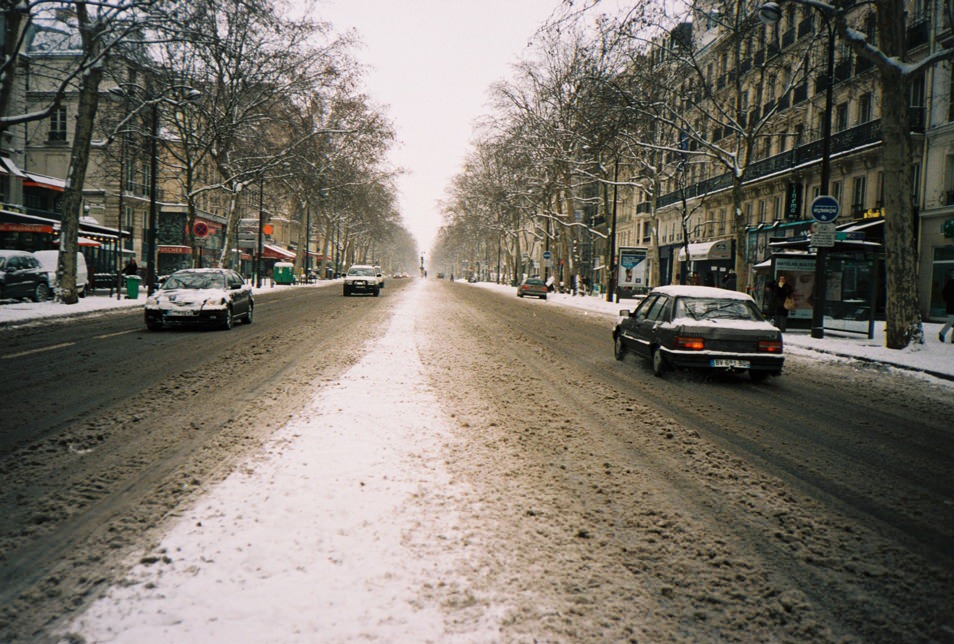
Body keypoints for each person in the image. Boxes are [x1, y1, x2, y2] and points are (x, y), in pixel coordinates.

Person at [939, 272, 954, 342]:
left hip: (951, 305)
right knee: (951, 321)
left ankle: (953, 338)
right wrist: (949, 300)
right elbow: (944, 293)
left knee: (951, 321)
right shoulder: (951, 283)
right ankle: (942, 333)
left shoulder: (950, 283)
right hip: (951, 306)